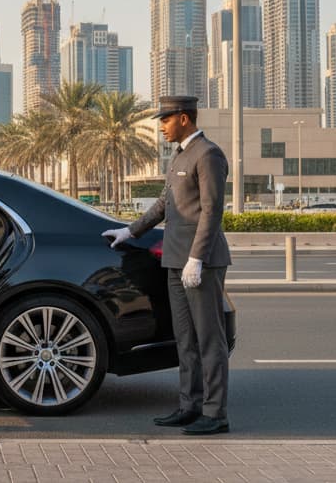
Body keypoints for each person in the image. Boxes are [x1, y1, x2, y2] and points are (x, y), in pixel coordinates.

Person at [102, 95, 231, 435]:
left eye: (166, 118)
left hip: (200, 261)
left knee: (209, 339)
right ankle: (190, 406)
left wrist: (197, 258)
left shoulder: (208, 154)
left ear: (184, 119)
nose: (161, 125)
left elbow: (211, 211)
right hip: (175, 259)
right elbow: (164, 204)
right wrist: (129, 230)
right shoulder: (179, 156)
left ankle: (215, 413)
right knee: (184, 339)